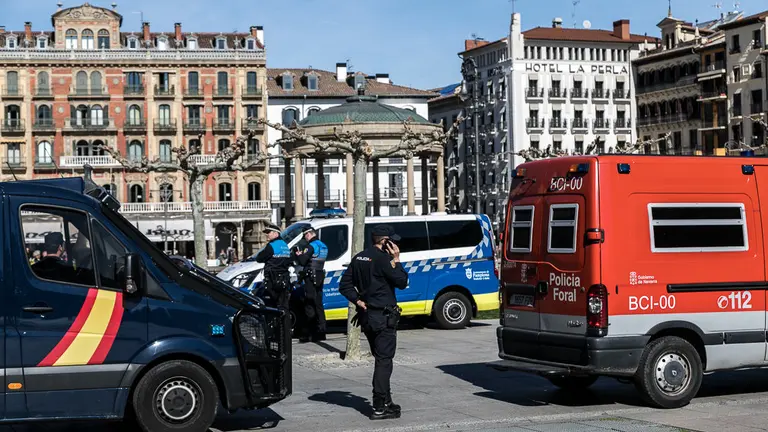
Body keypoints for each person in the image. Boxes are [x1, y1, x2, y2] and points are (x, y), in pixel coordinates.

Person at [339, 224, 408, 420]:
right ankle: (379, 405)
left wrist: (359, 301)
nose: (394, 244)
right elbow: (402, 282)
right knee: (384, 361)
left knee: (380, 359)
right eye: (391, 240)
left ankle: (387, 401)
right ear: (385, 241)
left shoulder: (360, 257)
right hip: (383, 317)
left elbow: (344, 285)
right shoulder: (384, 260)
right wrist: (397, 259)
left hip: (367, 317)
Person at [291, 226, 328, 343]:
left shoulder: (311, 246)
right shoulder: (323, 245)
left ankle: (310, 334)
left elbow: (302, 261)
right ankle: (322, 331)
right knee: (319, 304)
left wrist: (298, 254)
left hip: (310, 277)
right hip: (319, 275)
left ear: (308, 234)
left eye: (305, 236)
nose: (305, 239)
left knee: (309, 304)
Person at [255, 223, 293, 309]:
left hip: (273, 280)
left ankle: (276, 322)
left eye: (269, 232)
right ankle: (286, 322)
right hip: (284, 279)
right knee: (284, 306)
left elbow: (259, 258)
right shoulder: (285, 245)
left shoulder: (272, 245)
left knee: (272, 306)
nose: (267, 235)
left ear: (276, 234)